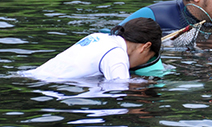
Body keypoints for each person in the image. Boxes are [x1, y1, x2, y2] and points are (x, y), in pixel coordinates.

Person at [26, 18, 161, 81]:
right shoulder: (117, 55)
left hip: (32, 75)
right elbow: (120, 89)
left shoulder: (98, 37)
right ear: (145, 47)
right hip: (50, 85)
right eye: (147, 58)